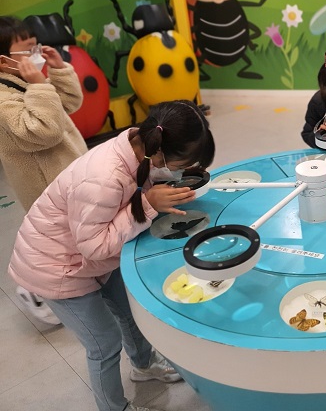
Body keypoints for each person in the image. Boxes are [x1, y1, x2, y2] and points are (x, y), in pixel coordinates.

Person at [8, 100, 215, 411]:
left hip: (89, 255)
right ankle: (115, 407)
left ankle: (143, 366)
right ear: (160, 152)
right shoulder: (104, 177)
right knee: (104, 344)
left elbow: (121, 202)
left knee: (131, 313)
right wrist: (149, 204)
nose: (181, 169)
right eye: (181, 162)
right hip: (56, 267)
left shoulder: (139, 144)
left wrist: (166, 182)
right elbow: (93, 247)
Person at [0, 15, 88, 325]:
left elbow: (69, 104)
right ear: (4, 61)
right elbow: (44, 131)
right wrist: (39, 85)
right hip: (45, 186)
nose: (35, 53)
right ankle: (32, 289)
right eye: (27, 50)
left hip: (66, 174)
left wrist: (58, 70)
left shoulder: (26, 81)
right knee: (60, 243)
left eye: (36, 46)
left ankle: (53, 285)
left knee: (71, 239)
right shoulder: (4, 99)